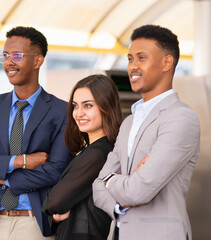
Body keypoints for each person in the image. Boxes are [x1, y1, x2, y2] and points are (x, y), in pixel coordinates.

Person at [0, 26, 72, 239]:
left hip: (33, 223)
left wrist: (1, 175)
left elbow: (56, 170)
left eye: (17, 55)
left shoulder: (61, 111)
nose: (9, 62)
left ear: (38, 61)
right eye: (5, 56)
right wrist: (19, 161)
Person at [93, 25, 200, 240]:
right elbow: (97, 186)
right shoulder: (129, 122)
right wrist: (117, 202)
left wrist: (111, 180)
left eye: (142, 58)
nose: (132, 66)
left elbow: (140, 190)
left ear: (166, 63)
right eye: (130, 59)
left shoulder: (180, 118)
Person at [42, 74, 122, 240]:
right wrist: (55, 215)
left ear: (106, 107)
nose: (78, 113)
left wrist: (52, 207)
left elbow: (54, 201)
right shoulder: (93, 150)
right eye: (75, 106)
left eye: (88, 106)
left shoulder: (99, 153)